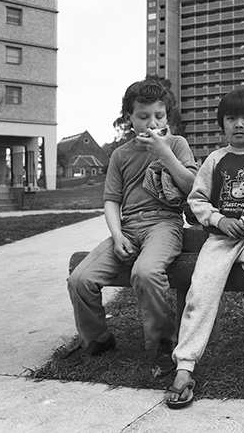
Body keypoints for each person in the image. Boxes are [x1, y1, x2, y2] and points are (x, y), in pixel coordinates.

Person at [164, 88, 244, 409]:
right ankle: (185, 366)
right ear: (222, 124)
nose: (238, 124)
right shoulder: (215, 160)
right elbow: (197, 200)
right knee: (201, 289)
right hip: (221, 239)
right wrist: (220, 221)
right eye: (231, 118)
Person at [65, 78, 198, 377]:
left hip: (164, 224)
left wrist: (165, 153)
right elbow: (111, 201)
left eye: (159, 116)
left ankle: (164, 344)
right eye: (143, 116)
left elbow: (191, 187)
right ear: (129, 119)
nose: (152, 123)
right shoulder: (120, 155)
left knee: (146, 272)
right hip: (128, 227)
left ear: (167, 117)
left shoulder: (176, 144)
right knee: (80, 279)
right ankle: (98, 340)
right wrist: (117, 235)